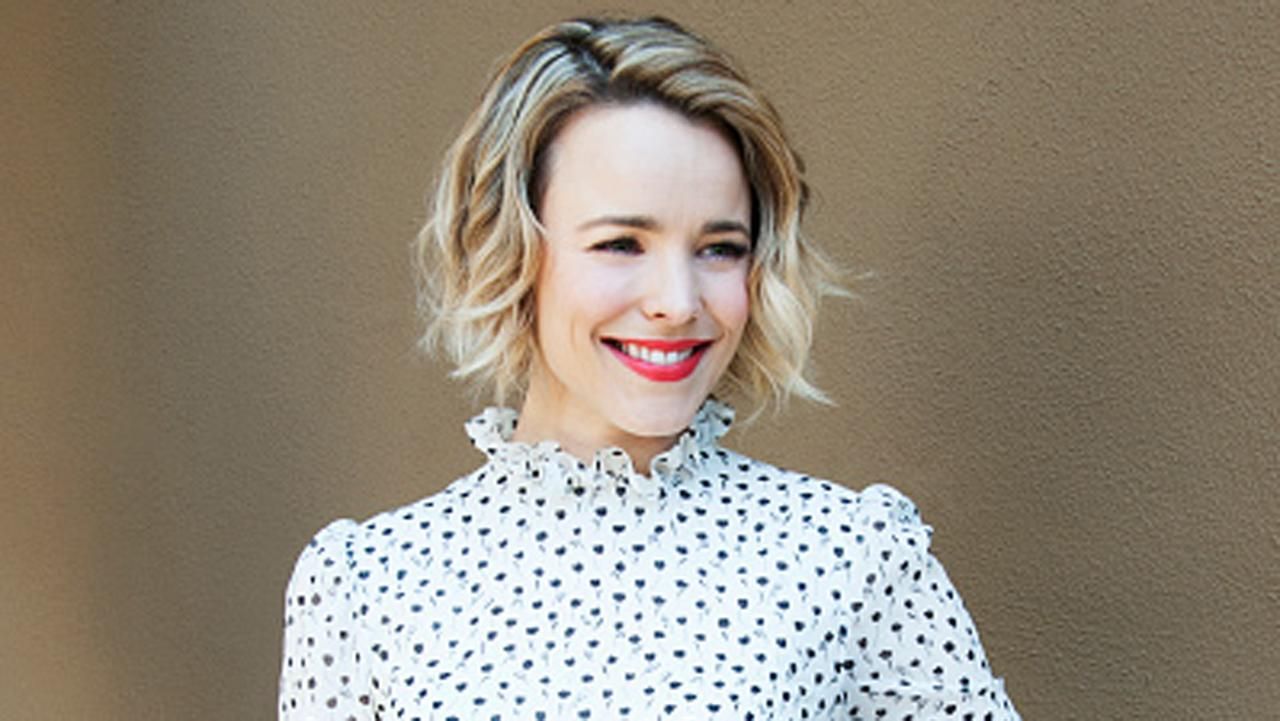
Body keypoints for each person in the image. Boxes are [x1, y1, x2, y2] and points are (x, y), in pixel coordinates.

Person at [278, 16, 1019, 720]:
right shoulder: (365, 584)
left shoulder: (853, 556)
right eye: (621, 244)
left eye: (719, 248)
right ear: (509, 250)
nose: (676, 302)